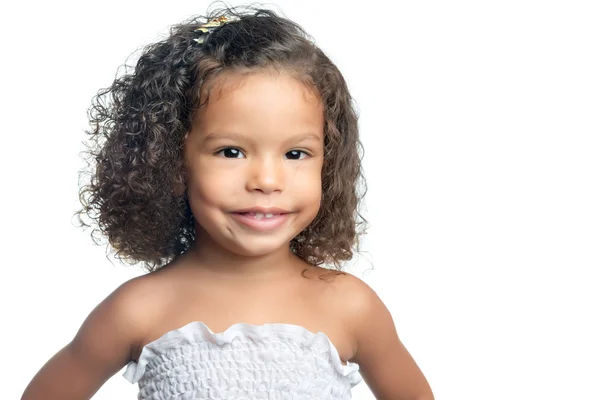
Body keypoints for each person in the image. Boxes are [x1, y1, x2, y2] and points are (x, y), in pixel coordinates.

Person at [21, 4, 434, 399]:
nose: (267, 181)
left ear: (326, 164)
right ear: (172, 163)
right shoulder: (138, 309)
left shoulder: (350, 305)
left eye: (295, 154)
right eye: (231, 152)